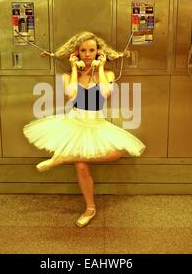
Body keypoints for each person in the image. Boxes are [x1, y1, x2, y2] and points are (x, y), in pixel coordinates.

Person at [23, 31, 146, 227]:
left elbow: (105, 92)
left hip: (97, 124)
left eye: (91, 50)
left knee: (118, 153)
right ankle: (90, 208)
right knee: (81, 165)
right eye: (83, 51)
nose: (87, 54)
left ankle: (62, 159)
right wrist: (73, 69)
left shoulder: (108, 74)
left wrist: (101, 67)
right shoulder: (67, 76)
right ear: (76, 53)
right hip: (75, 122)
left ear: (99, 52)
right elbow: (72, 94)